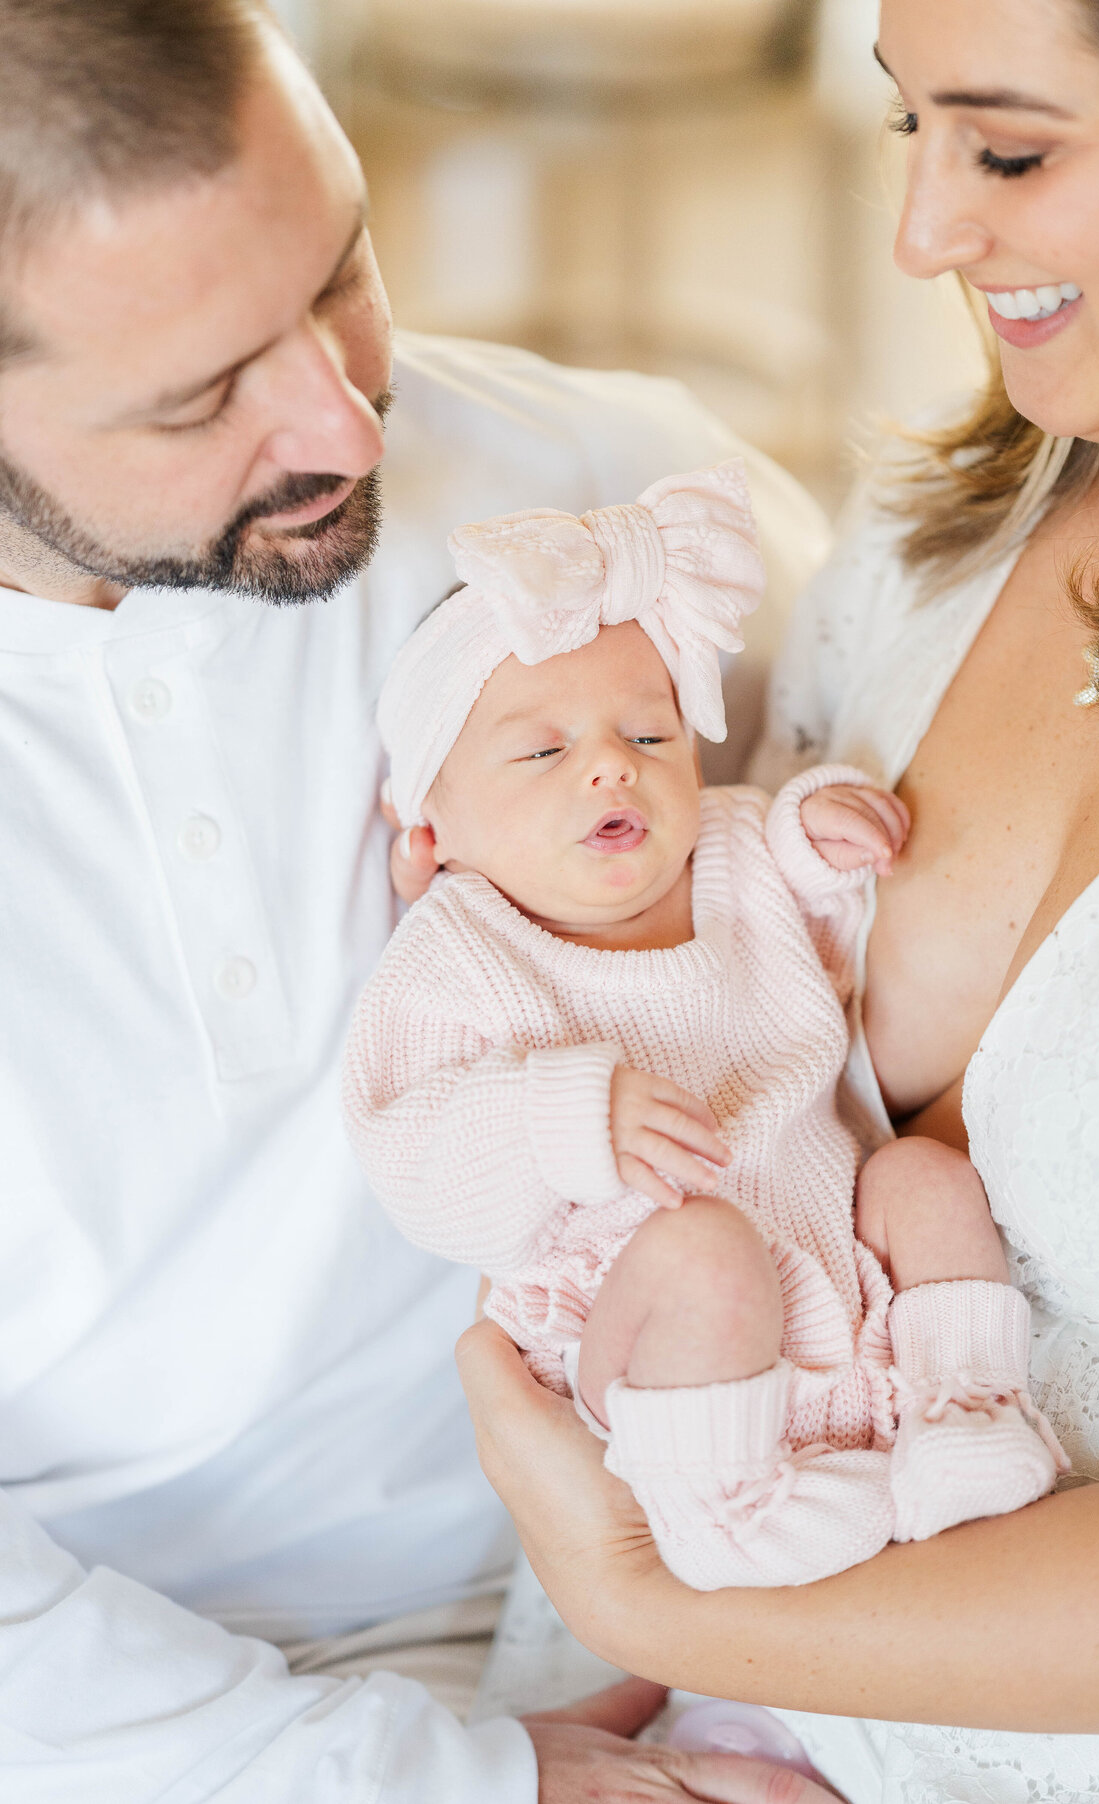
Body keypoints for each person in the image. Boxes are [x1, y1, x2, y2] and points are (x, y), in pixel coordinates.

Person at [0, 2, 834, 1799]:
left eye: (345, 268)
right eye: (203, 393)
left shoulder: (590, 500)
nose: (346, 416)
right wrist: (480, 1781)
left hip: (718, 1549)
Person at [449, 0, 1099, 1798]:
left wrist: (669, 1606)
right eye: (907, 130)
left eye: (1010, 148)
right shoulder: (936, 533)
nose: (925, 234)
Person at [345, 458, 1065, 1597]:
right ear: (431, 819)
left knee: (926, 1177)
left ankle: (963, 1407)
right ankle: (726, 1507)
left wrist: (822, 838)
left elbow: (809, 915)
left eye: (649, 734)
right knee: (702, 1250)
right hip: (649, 1329)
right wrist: (566, 1112)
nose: (606, 768)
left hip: (835, 1255)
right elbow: (416, 1160)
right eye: (541, 751)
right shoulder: (459, 955)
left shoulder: (727, 848)